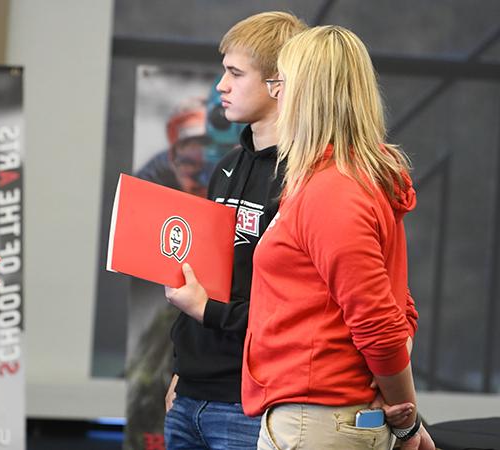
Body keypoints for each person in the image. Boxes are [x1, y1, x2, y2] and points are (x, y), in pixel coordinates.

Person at [242, 26, 435, 449]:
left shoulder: (333, 191)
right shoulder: (336, 183)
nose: (276, 95)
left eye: (281, 83)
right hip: (320, 417)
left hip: (318, 420)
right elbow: (396, 306)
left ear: (308, 94)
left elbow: (381, 321)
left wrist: (405, 419)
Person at [162, 12, 306, 450]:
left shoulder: (305, 180)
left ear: (278, 82)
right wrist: (180, 372)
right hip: (190, 395)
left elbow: (295, 305)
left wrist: (208, 312)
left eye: (234, 73)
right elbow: (205, 277)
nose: (220, 85)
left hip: (252, 402)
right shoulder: (225, 167)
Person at [136, 97, 213, 197]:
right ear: (173, 161)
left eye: (211, 164)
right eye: (189, 164)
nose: (203, 178)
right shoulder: (157, 173)